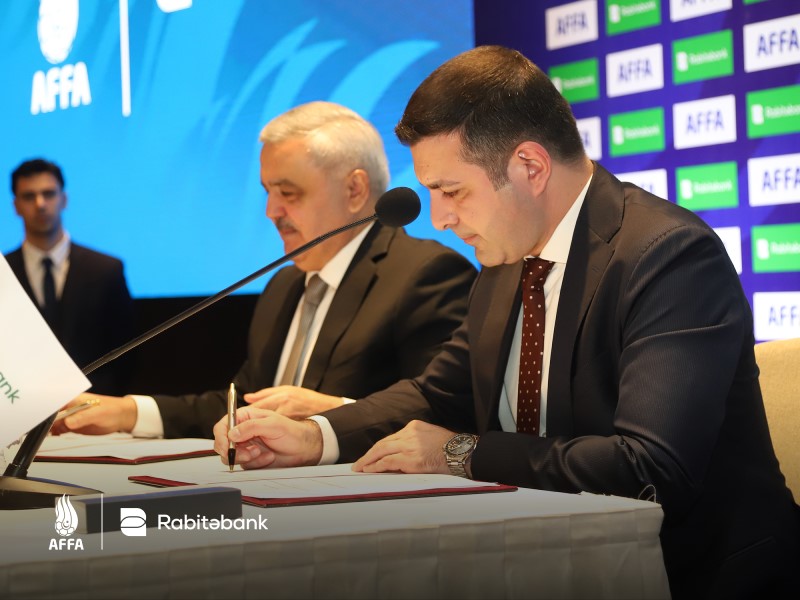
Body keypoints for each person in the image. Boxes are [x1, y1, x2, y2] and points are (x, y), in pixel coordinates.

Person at [211, 48, 800, 597]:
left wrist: (460, 453)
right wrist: (316, 436)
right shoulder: (505, 261)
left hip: (694, 576)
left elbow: (649, 468)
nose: (439, 219)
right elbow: (437, 395)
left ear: (529, 166)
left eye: (451, 191)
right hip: (546, 562)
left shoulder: (666, 255)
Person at [56, 101, 476, 439]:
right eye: (268, 193)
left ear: (355, 190)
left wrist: (332, 415)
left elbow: (443, 416)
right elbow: (246, 404)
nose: (271, 211)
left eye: (288, 193)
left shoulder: (426, 275)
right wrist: (130, 412)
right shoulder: (285, 284)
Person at [6, 158, 134, 395]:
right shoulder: (3, 274)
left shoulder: (106, 270)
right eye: (29, 196)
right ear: (16, 205)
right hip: (22, 408)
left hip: (97, 405)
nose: (40, 204)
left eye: (48, 193)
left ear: (63, 199)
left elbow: (127, 355)